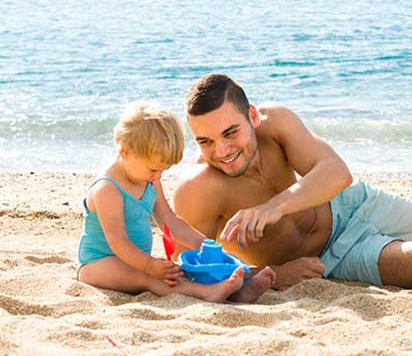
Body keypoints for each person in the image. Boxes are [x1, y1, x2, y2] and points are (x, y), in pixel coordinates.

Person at [172, 74, 412, 290]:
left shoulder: (275, 122)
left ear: (252, 116)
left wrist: (272, 208)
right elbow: (189, 271)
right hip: (335, 257)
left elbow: (337, 173)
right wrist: (272, 273)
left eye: (230, 133)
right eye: (205, 141)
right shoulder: (198, 189)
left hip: (351, 204)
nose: (221, 151)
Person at [77, 102, 276, 303]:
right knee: (149, 278)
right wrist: (150, 265)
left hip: (136, 262)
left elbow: (169, 220)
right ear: (125, 152)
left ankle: (238, 292)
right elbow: (117, 241)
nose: (159, 175)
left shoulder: (149, 181)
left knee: (180, 272)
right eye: (154, 169)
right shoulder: (107, 190)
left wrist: (203, 244)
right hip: (99, 265)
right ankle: (207, 294)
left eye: (164, 170)